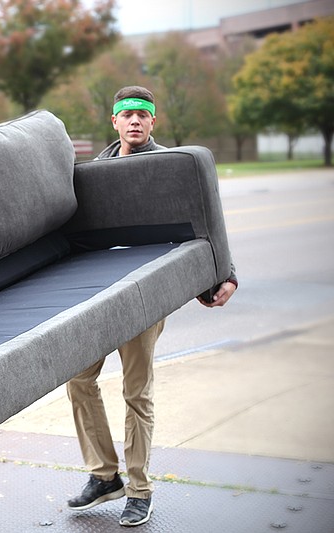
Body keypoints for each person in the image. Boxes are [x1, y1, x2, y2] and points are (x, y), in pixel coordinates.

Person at [66, 86, 238, 527]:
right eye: (128, 114)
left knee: (136, 392)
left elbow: (206, 218)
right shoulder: (91, 174)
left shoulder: (170, 168)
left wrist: (224, 273)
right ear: (115, 122)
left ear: (153, 122)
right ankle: (104, 475)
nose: (136, 121)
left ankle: (139, 490)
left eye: (144, 114)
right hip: (98, 293)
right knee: (78, 379)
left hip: (145, 294)